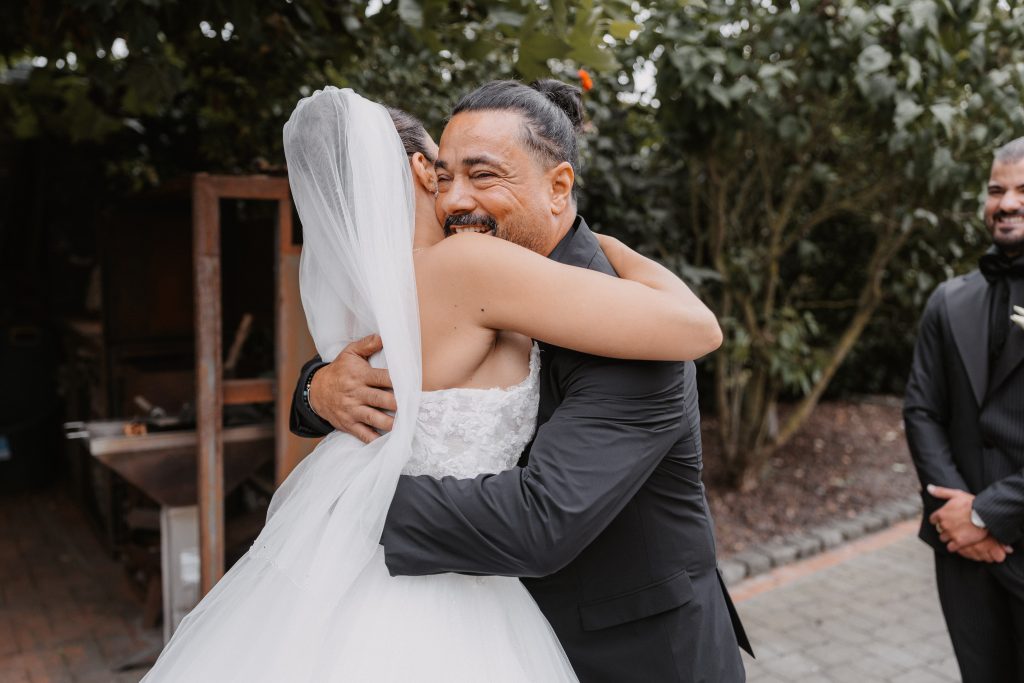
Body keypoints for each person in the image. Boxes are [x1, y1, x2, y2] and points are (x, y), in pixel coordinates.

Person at [142, 86, 728, 681]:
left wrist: (347, 511)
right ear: (423, 171)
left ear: (559, 186)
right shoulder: (454, 266)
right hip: (466, 614)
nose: (457, 198)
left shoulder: (616, 325)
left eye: (482, 175)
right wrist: (319, 388)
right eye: (447, 176)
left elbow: (539, 521)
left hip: (636, 651)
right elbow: (365, 372)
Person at [904, 136, 1024, 683]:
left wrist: (987, 514)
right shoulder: (948, 301)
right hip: (959, 550)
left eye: (1023, 190)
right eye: (996, 189)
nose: (1007, 203)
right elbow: (922, 410)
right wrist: (959, 518)